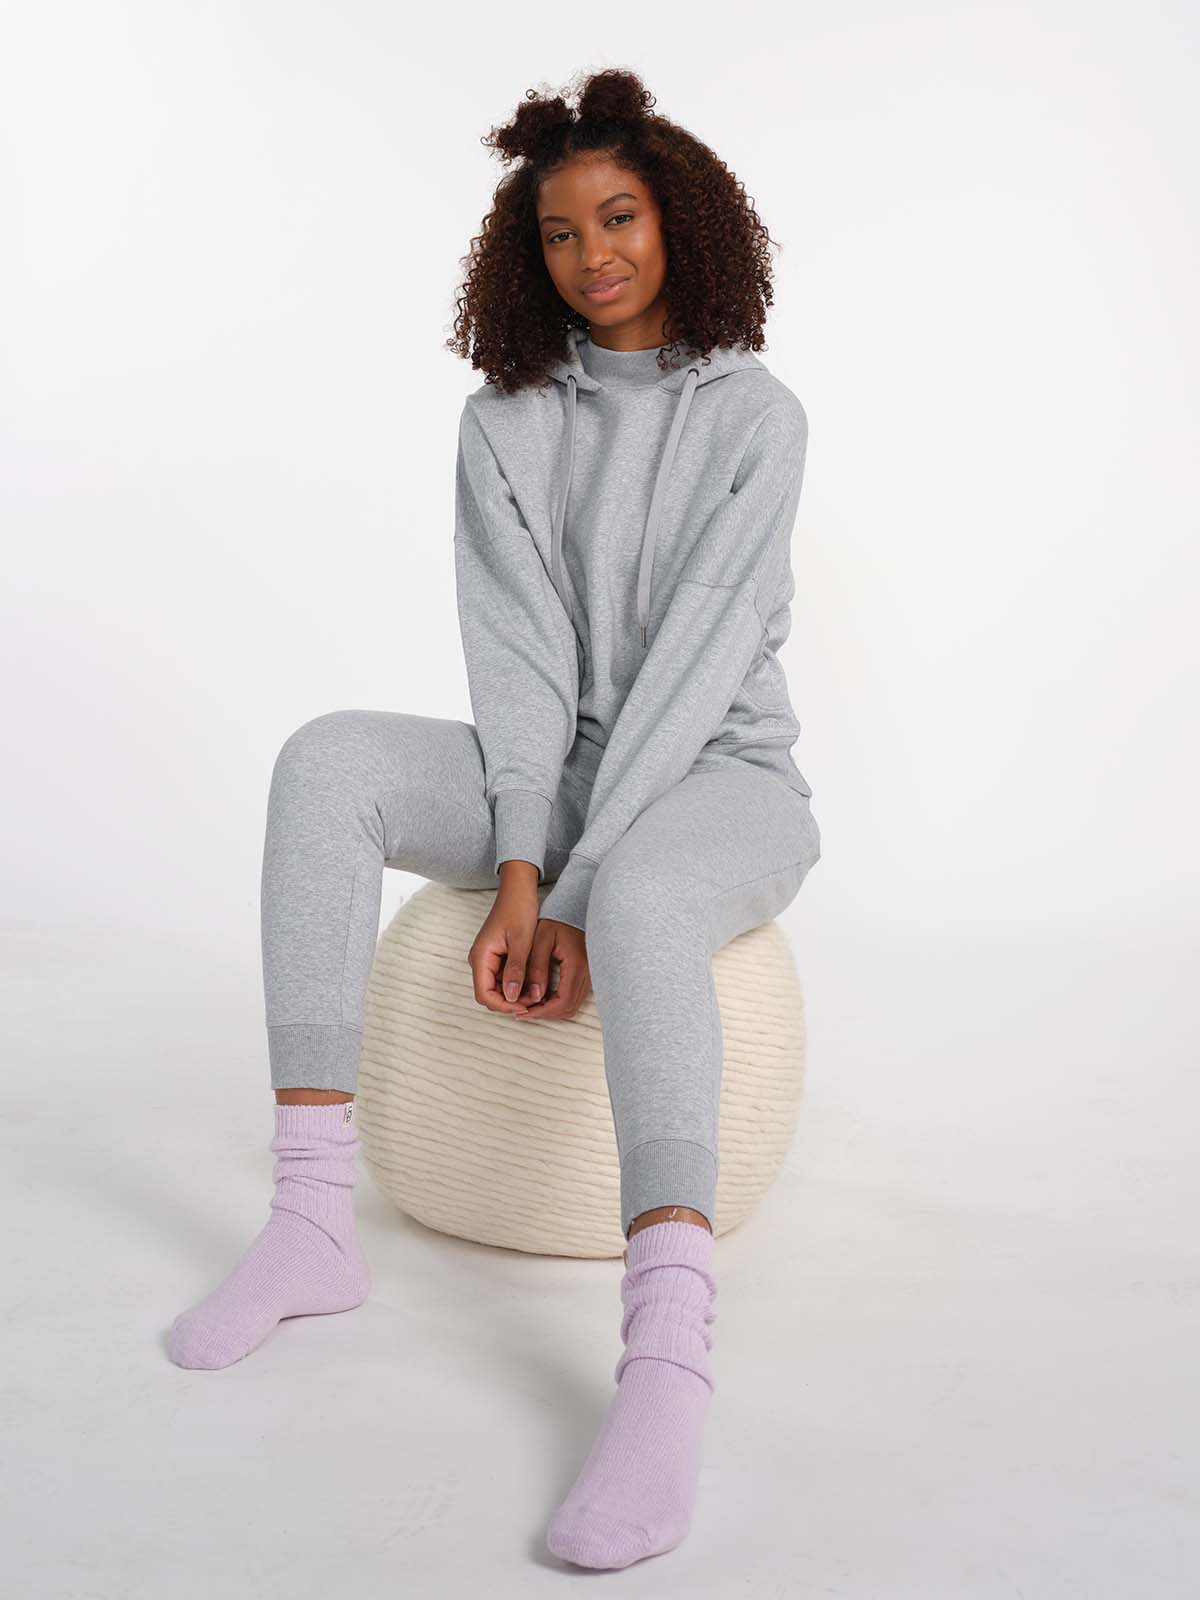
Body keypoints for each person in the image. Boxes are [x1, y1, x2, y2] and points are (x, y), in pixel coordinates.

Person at [167, 66, 822, 1571]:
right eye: (559, 232)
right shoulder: (505, 422)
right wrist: (519, 861)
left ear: (680, 219)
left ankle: (667, 1358)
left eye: (620, 216)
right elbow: (517, 660)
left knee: (647, 898)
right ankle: (311, 1219)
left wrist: (577, 894)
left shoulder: (757, 419)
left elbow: (694, 671)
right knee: (327, 761)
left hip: (720, 776)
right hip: (561, 770)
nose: (594, 254)